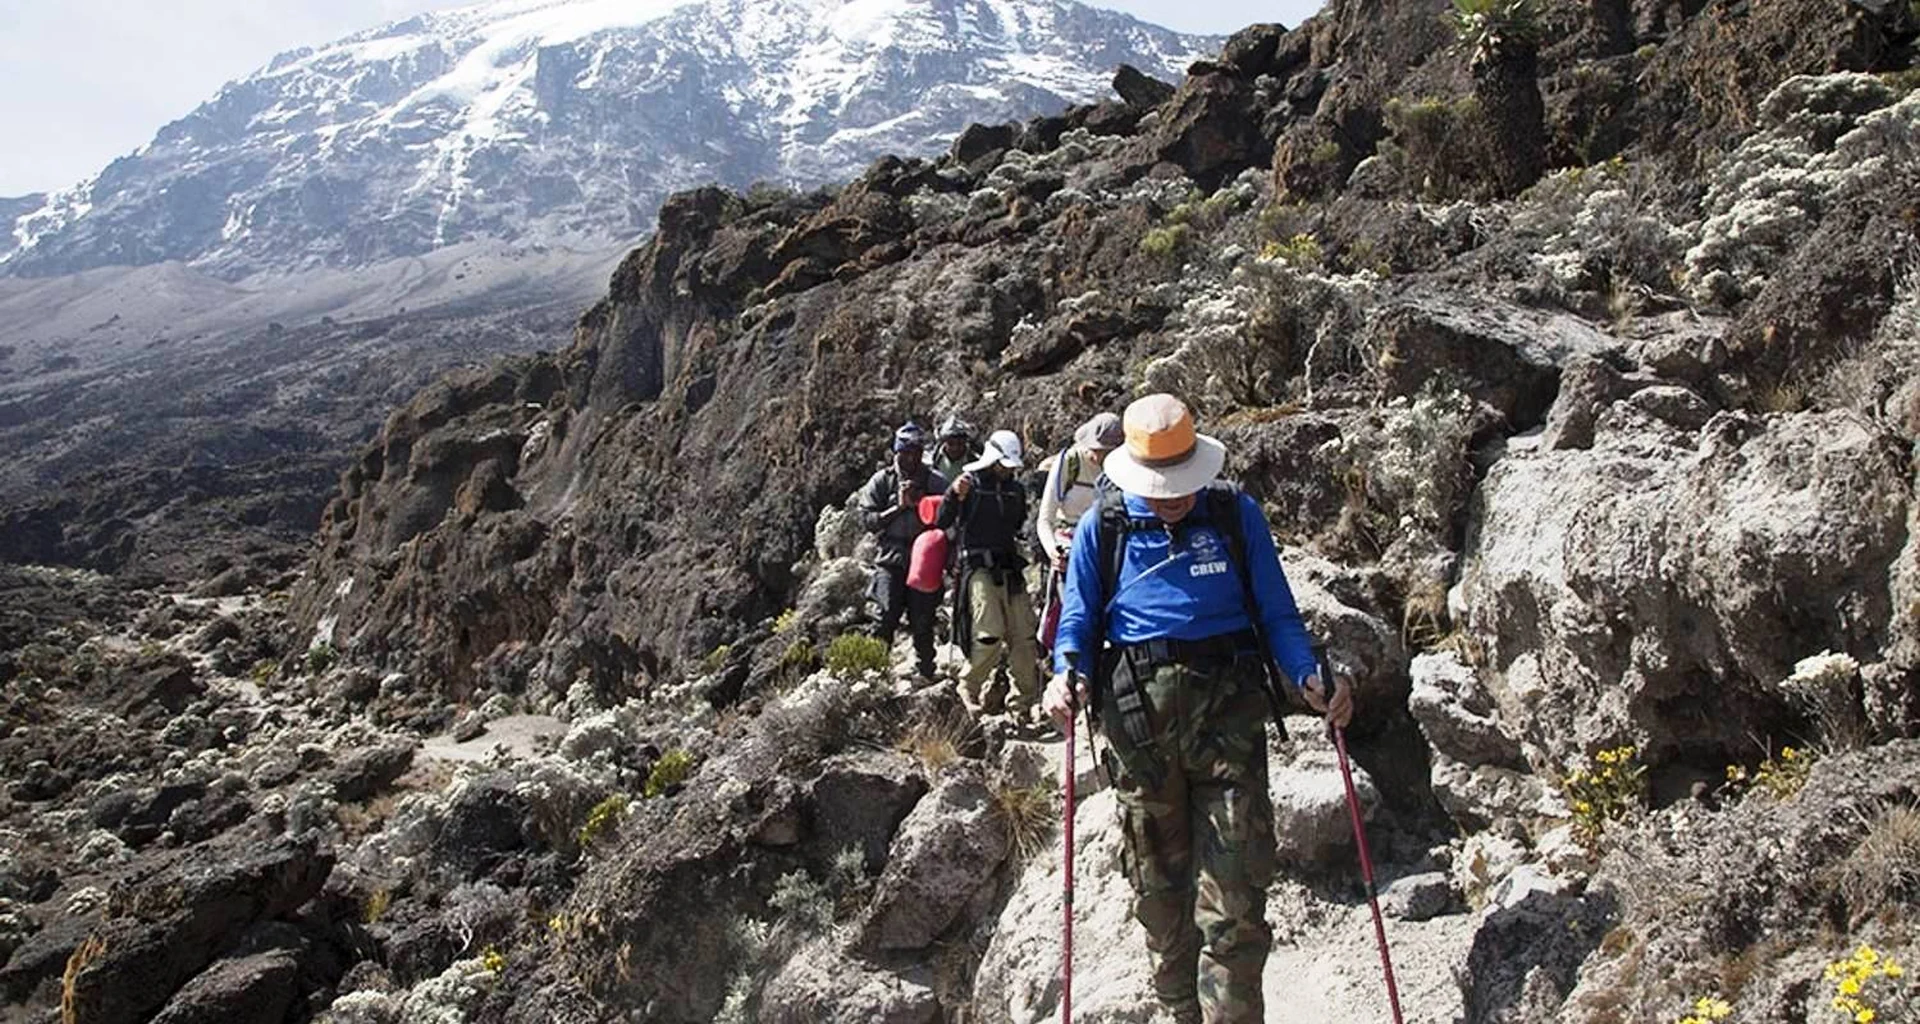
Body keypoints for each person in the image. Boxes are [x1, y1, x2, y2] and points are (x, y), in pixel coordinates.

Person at [1043, 394, 1353, 1024]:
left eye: (1183, 482)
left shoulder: (1235, 515)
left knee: (1235, 897)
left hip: (1229, 725)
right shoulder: (1104, 527)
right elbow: (1077, 619)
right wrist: (1064, 675)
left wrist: (1308, 675)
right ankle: (1181, 1011)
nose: (1173, 497)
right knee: (1158, 892)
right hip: (1138, 728)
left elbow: (1277, 612)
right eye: (1160, 486)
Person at [938, 428, 1042, 721]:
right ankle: (968, 688)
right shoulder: (968, 485)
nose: (1008, 470)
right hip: (977, 566)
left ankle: (1023, 704)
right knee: (989, 632)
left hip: (1009, 566)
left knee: (1024, 635)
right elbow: (942, 520)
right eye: (1003, 464)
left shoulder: (1015, 490)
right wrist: (953, 495)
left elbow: (1019, 525)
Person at [858, 422, 948, 680]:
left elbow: (951, 515)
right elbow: (867, 520)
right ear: (896, 453)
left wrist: (924, 506)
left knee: (923, 619)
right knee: (885, 615)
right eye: (905, 453)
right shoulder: (882, 481)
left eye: (915, 453)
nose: (910, 458)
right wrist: (898, 508)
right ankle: (873, 673)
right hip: (891, 556)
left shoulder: (934, 480)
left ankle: (926, 671)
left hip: (925, 558)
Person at [1035, 412, 1124, 650]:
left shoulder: (1125, 467)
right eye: (1096, 449)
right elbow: (1045, 519)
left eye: (1106, 451)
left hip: (1108, 545)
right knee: (1075, 616)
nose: (1098, 455)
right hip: (1069, 544)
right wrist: (1053, 551)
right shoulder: (1070, 462)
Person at [929, 415, 975, 482]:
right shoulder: (936, 457)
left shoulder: (974, 462)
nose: (955, 448)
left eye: (960, 443)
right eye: (950, 443)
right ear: (944, 442)